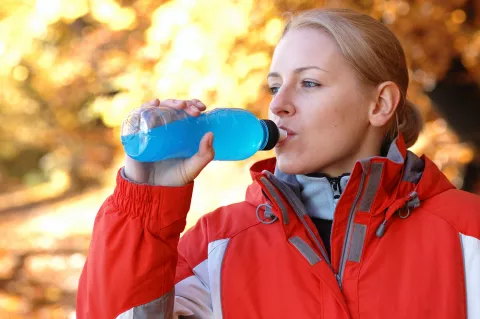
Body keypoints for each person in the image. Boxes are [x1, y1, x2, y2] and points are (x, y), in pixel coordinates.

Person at [76, 8, 480, 319]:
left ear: (379, 104)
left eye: (308, 83)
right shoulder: (218, 245)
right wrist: (145, 204)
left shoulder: (468, 233)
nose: (277, 104)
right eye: (274, 85)